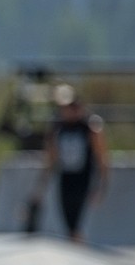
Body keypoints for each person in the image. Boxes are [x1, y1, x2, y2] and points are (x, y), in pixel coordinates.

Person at [31, 84, 110, 243]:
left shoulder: (89, 128)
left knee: (77, 220)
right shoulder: (58, 129)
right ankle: (74, 242)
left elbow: (101, 156)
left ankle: (78, 243)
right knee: (68, 221)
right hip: (66, 178)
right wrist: (41, 187)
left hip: (84, 178)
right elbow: (50, 159)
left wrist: (102, 186)